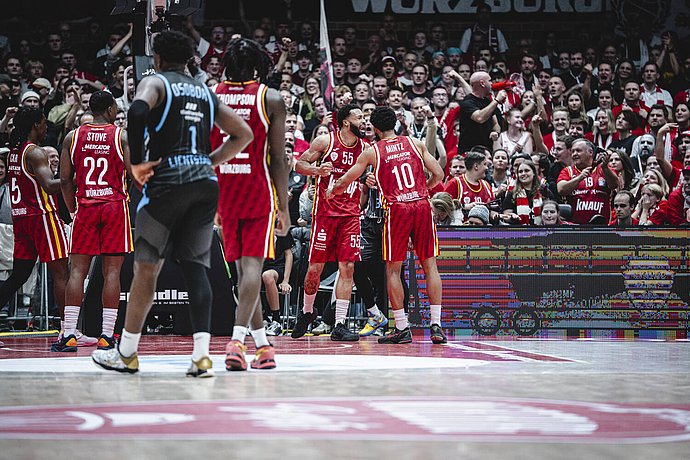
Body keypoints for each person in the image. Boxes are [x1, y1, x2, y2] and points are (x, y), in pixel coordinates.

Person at [91, 30, 253, 377]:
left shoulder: (156, 82)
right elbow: (244, 133)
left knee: (146, 268)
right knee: (196, 268)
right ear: (190, 59)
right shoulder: (205, 91)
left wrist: (137, 163)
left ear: (158, 58)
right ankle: (201, 357)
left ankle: (127, 353)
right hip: (204, 183)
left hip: (167, 181)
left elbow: (136, 111)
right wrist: (209, 161)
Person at [328, 106, 447, 345]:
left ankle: (402, 327)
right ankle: (436, 325)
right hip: (422, 205)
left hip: (397, 209)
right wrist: (422, 189)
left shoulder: (372, 152)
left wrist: (333, 190)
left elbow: (348, 179)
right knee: (430, 266)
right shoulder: (415, 143)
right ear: (394, 123)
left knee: (393, 270)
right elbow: (439, 174)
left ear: (376, 128)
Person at [211, 37, 291, 371]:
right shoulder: (270, 97)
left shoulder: (213, 95)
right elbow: (278, 158)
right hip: (258, 190)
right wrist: (284, 207)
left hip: (225, 190)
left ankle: (263, 348)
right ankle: (237, 342)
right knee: (252, 271)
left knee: (245, 274)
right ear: (259, 65)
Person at [58, 91, 131, 352]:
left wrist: (72, 209)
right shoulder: (121, 136)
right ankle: (107, 336)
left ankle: (68, 334)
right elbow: (134, 173)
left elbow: (65, 180)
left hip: (86, 206)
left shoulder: (73, 136)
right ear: (111, 109)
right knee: (112, 272)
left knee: (77, 271)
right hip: (114, 207)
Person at [292, 104, 365, 342]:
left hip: (350, 215)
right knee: (315, 268)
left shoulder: (366, 148)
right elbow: (299, 164)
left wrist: (369, 180)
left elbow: (370, 175)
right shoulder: (326, 141)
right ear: (346, 122)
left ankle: (339, 324)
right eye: (359, 117)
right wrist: (317, 171)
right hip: (325, 214)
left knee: (348, 267)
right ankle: (307, 311)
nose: (364, 121)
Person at [0, 107, 70, 350]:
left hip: (21, 219)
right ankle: (68, 331)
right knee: (61, 273)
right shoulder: (35, 152)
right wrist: (73, 178)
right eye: (43, 123)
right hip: (42, 217)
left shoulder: (14, 152)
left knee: (19, 275)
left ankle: (68, 329)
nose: (46, 127)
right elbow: (50, 186)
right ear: (34, 125)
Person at [557, 139, 618, 225]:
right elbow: (561, 189)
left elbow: (615, 184)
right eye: (573, 151)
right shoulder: (568, 171)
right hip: (575, 227)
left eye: (578, 151)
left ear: (590, 152)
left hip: (602, 226)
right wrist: (579, 178)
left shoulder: (603, 169)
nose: (574, 154)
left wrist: (605, 168)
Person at [458, 71, 506, 153]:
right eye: (489, 81)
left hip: (487, 150)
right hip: (469, 151)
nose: (492, 84)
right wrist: (497, 100)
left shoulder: (488, 101)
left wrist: (496, 132)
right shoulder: (467, 102)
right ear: (482, 83)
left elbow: (495, 124)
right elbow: (479, 118)